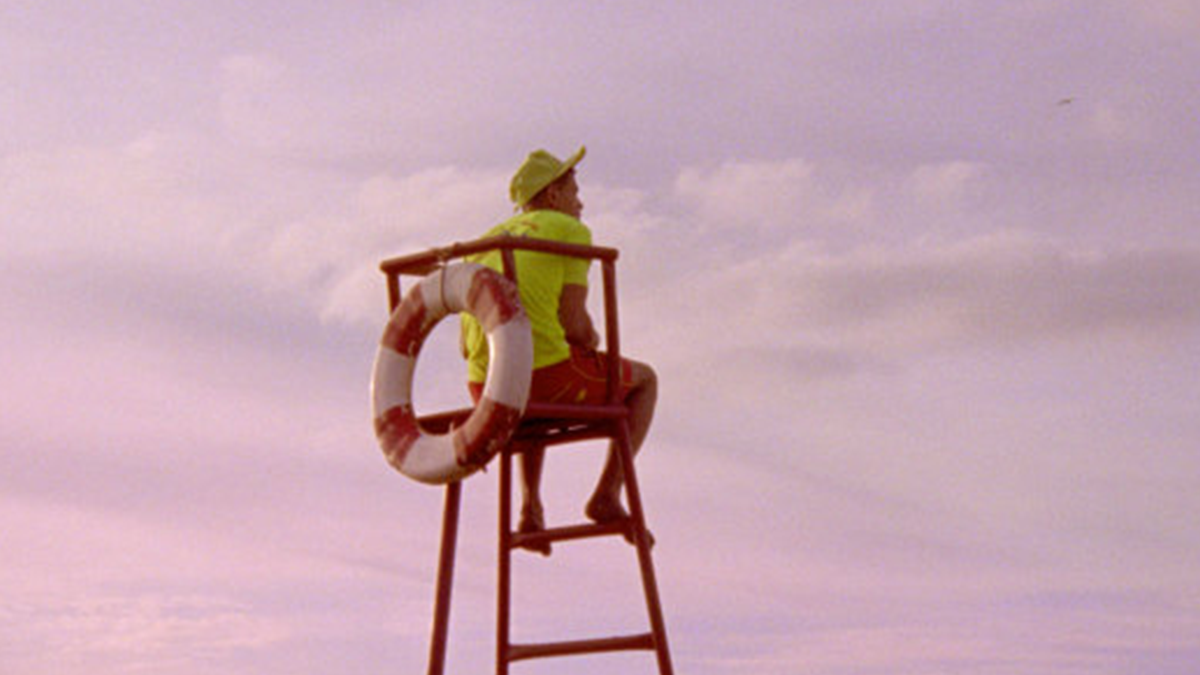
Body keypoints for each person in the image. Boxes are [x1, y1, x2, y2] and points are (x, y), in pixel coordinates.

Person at [460, 146, 657, 556]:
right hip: (544, 382)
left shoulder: (487, 239)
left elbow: (467, 343)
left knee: (522, 373)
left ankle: (530, 507)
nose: (580, 203)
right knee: (644, 380)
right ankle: (607, 493)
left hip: (485, 390)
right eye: (575, 191)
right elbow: (574, 325)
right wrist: (592, 340)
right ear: (552, 197)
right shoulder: (569, 231)